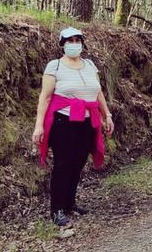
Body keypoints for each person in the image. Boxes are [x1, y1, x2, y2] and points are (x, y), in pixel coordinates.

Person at [32, 27, 115, 228]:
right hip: (64, 121)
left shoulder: (89, 65)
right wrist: (39, 126)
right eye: (70, 41)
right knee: (63, 164)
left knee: (78, 163)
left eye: (78, 40)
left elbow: (97, 92)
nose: (74, 44)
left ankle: (70, 203)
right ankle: (57, 209)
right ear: (63, 44)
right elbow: (46, 97)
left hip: (87, 121)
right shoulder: (55, 67)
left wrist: (107, 115)